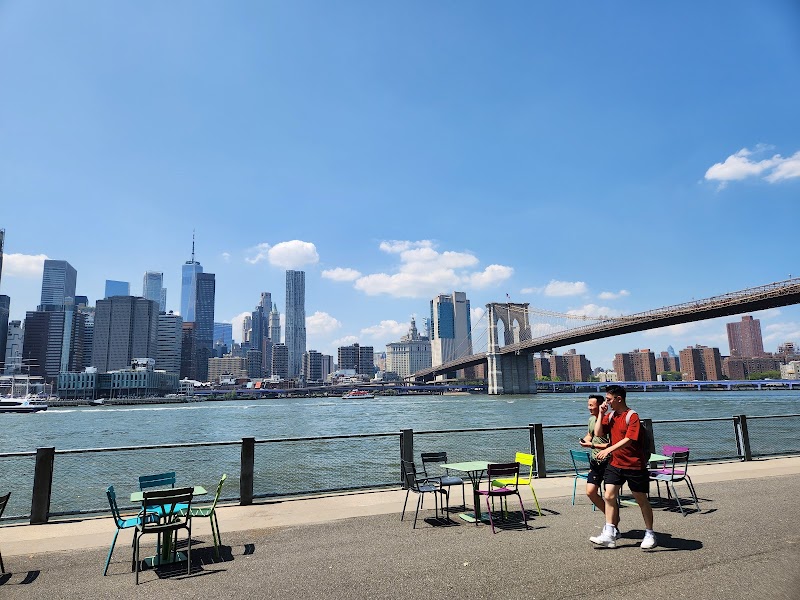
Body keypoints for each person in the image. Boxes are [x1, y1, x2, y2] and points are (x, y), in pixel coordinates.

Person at [589, 385, 656, 549]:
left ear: (619, 399)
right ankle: (610, 534)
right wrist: (601, 414)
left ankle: (649, 533)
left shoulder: (632, 416)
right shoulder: (610, 415)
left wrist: (608, 450)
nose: (607, 402)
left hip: (634, 464)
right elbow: (598, 433)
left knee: (641, 499)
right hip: (615, 463)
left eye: (609, 399)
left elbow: (629, 439)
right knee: (609, 495)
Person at [578, 394, 614, 521]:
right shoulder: (591, 420)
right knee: (590, 492)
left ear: (600, 406)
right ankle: (611, 517)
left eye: (591, 405)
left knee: (609, 495)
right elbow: (590, 434)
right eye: (588, 405)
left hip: (608, 461)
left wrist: (591, 445)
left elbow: (611, 445)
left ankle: (611, 523)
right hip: (595, 461)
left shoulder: (609, 421)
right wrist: (585, 441)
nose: (589, 408)